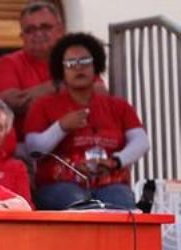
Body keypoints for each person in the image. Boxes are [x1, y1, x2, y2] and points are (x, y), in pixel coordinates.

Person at [24, 33, 149, 210]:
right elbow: (33, 149)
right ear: (61, 69)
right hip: (59, 186)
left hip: (111, 183)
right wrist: (61, 127)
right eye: (70, 63)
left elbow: (141, 142)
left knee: (121, 206)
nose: (78, 68)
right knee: (80, 203)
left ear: (96, 65)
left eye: (85, 61)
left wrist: (116, 161)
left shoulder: (118, 106)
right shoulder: (43, 106)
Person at [0, 2, 65, 140]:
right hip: (24, 146)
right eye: (30, 30)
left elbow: (98, 92)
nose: (38, 34)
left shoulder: (75, 58)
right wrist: (61, 85)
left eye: (45, 27)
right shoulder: (7, 63)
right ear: (22, 36)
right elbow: (12, 104)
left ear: (61, 31)